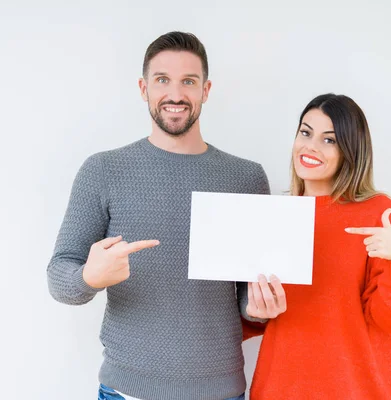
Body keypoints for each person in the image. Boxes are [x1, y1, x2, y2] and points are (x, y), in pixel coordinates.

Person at [47, 31, 271, 400]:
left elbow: (248, 297)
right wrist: (90, 275)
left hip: (220, 391)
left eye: (189, 81)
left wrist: (260, 308)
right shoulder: (103, 170)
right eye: (162, 80)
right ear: (143, 87)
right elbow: (59, 275)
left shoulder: (245, 177)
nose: (176, 94)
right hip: (126, 391)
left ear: (206, 90)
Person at [242, 93, 391, 400]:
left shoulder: (376, 212)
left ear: (350, 150)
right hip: (279, 387)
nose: (310, 146)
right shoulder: (275, 215)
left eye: (329, 140)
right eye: (305, 132)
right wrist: (253, 311)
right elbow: (257, 320)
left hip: (353, 389)